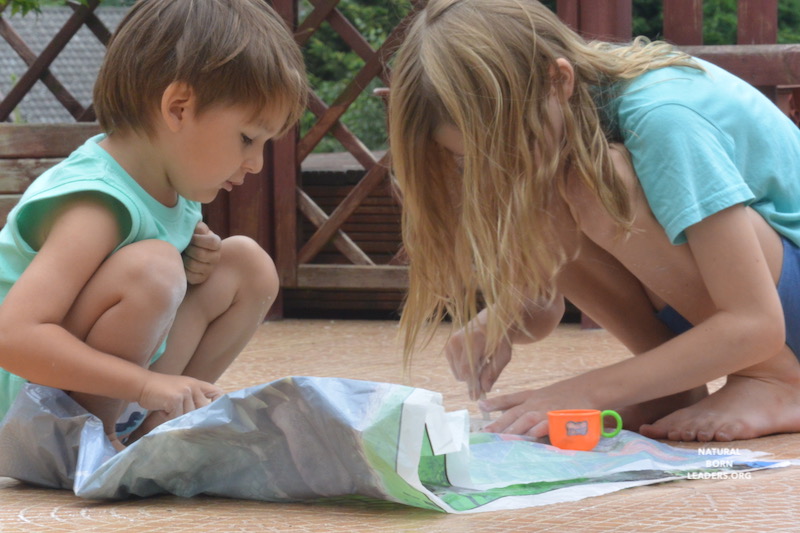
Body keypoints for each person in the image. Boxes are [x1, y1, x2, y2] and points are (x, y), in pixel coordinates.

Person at [388, 0, 800, 442]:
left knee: (600, 181)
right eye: (473, 159)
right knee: (554, 181)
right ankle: (673, 391)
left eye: (508, 144)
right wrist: (500, 321)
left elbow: (755, 324)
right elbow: (545, 308)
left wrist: (584, 392)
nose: (500, 168)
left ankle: (776, 383)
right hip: (765, 307)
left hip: (767, 321)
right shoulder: (566, 122)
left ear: (558, 78)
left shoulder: (664, 116)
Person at [0, 0, 307, 449]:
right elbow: (12, 337)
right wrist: (145, 384)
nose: (256, 164)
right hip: (26, 412)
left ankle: (156, 429)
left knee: (246, 265)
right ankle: (90, 448)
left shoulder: (167, 188)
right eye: (247, 138)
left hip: (102, 386)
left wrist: (190, 257)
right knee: (153, 269)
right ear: (179, 108)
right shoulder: (96, 203)